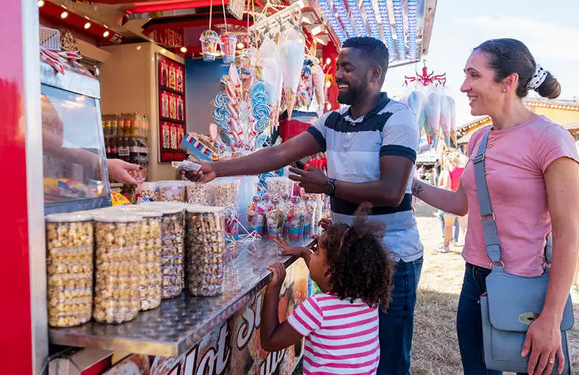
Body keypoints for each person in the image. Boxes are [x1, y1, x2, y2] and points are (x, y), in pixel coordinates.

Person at [187, 37, 423, 374]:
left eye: (347, 68)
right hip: (351, 259)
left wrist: (328, 186)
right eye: (338, 66)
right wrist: (218, 168)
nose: (338, 74)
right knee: (351, 354)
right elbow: (278, 153)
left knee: (388, 358)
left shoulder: (397, 118)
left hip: (393, 258)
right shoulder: (333, 121)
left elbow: (391, 191)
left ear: (374, 74)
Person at [411, 38, 579, 375]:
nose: (464, 86)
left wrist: (549, 317)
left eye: (474, 75)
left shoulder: (551, 138)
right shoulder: (479, 138)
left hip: (530, 287)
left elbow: (569, 235)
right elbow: (460, 204)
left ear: (508, 82)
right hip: (475, 282)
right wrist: (410, 184)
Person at [261, 203, 394, 374]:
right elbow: (328, 285)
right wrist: (302, 252)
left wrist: (274, 289)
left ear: (331, 272)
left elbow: (270, 341)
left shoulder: (318, 309)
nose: (312, 255)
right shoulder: (369, 301)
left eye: (316, 253)